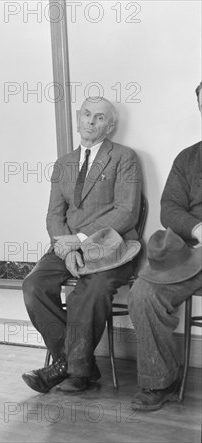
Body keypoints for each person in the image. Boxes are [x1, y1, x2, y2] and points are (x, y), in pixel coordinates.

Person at [21, 97, 143, 393]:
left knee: (92, 290)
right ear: (78, 119)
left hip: (110, 247)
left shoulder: (124, 158)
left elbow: (127, 212)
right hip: (66, 247)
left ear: (110, 126)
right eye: (86, 114)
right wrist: (66, 248)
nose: (90, 121)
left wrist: (79, 241)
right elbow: (53, 215)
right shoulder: (63, 163)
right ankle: (77, 365)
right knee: (34, 286)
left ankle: (68, 368)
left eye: (99, 117)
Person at [128, 82, 202, 411]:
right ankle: (161, 380)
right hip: (191, 253)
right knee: (144, 293)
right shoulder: (188, 158)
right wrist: (198, 227)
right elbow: (169, 208)